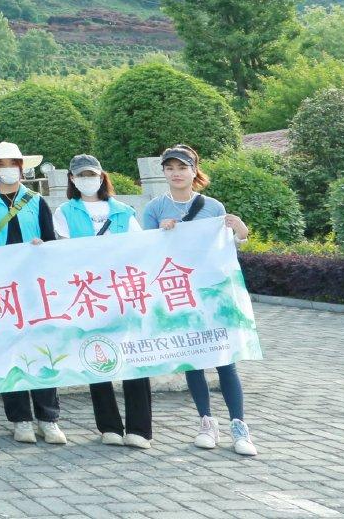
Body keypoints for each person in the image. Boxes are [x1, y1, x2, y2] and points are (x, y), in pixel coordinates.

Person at [144, 143, 258, 457]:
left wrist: (240, 232)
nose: (176, 173)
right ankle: (206, 422)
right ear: (164, 172)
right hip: (178, 293)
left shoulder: (213, 206)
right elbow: (145, 253)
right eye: (170, 168)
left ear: (195, 171)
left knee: (224, 360)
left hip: (212, 292)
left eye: (182, 167)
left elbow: (224, 252)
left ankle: (239, 425)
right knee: (193, 360)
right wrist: (161, 233)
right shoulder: (154, 209)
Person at [0, 141, 66, 446]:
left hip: (35, 288)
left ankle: (49, 418)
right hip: (1, 290)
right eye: (2, 165)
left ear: (22, 167)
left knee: (41, 350)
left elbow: (51, 242)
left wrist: (41, 249)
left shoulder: (35, 200)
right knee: (11, 353)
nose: (8, 169)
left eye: (13, 164)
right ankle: (20, 419)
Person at [51, 154, 151, 450]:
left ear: (101, 176)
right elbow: (66, 251)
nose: (87, 179)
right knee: (96, 355)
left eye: (91, 174)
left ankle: (139, 428)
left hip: (123, 291)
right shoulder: (65, 211)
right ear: (72, 179)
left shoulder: (122, 211)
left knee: (134, 356)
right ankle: (108, 425)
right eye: (80, 175)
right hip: (89, 295)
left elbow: (140, 247)